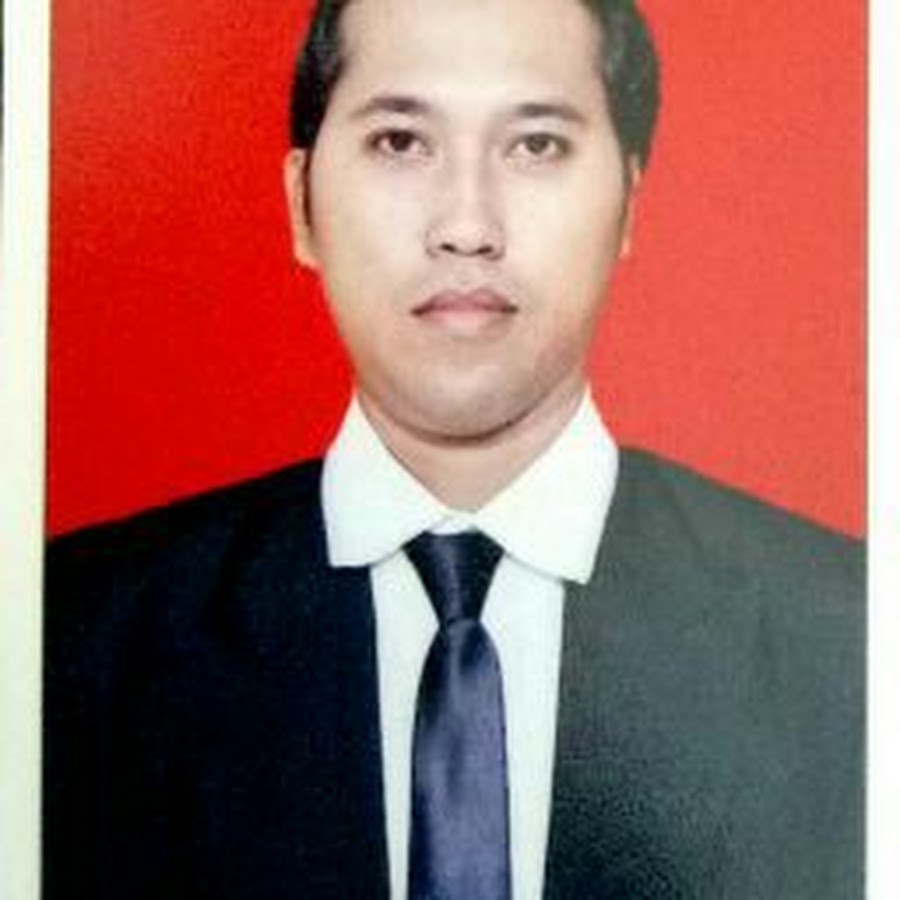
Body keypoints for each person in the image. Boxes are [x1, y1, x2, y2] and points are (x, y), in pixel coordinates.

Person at [44, 0, 863, 898]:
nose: (467, 225)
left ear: (630, 201)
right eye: (401, 142)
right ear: (301, 203)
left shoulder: (852, 640)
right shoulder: (66, 644)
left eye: (536, 145)